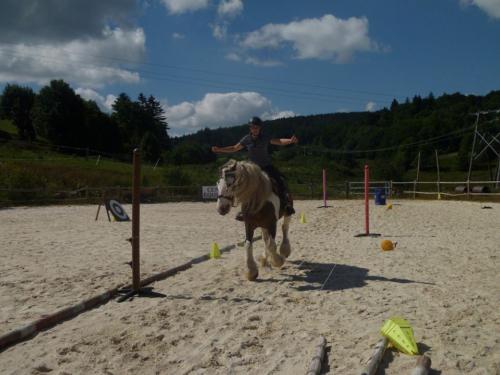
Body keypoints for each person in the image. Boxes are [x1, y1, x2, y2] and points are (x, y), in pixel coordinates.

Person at [211, 116, 298, 220]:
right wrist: (220, 149)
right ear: (250, 128)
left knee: (281, 180)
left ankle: (287, 205)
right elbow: (234, 148)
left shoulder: (265, 137)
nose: (254, 129)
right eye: (252, 127)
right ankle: (243, 211)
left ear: (260, 128)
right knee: (242, 184)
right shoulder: (246, 139)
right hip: (252, 169)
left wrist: (290, 141)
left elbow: (278, 141)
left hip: (266, 166)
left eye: (256, 127)